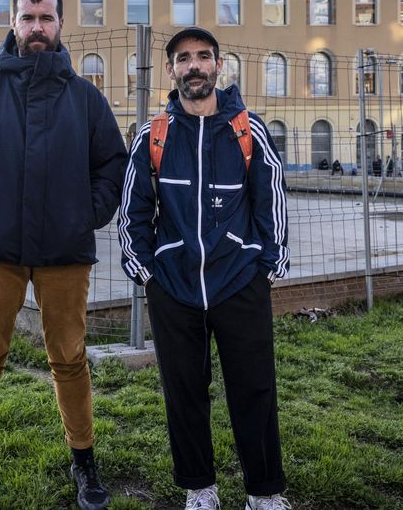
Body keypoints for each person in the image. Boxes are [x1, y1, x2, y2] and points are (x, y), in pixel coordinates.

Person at [0, 0, 127, 510]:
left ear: (61, 24)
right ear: (13, 24)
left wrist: (86, 213)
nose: (37, 27)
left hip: (65, 249)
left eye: (46, 18)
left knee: (68, 355)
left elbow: (112, 164)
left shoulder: (85, 98)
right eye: (28, 18)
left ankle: (84, 462)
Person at [119, 27, 292, 510]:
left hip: (239, 282)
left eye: (203, 57)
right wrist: (148, 272)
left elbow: (271, 197)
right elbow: (132, 209)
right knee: (185, 393)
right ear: (171, 70)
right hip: (173, 288)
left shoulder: (246, 129)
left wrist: (268, 266)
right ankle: (200, 487)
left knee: (254, 388)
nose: (193, 66)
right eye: (183, 59)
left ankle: (264, 493)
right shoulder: (153, 137)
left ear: (218, 66)